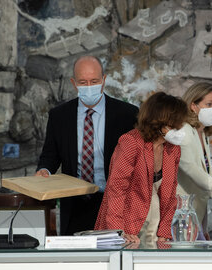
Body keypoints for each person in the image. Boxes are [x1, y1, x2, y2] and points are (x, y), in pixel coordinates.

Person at [36, 55, 138, 235]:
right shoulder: (59, 116)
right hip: (74, 204)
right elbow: (50, 155)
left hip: (114, 203)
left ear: (104, 80)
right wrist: (45, 170)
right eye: (83, 82)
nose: (89, 87)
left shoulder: (127, 114)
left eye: (94, 81)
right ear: (74, 83)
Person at [94, 92, 188, 244]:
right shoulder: (130, 142)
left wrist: (165, 231)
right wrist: (118, 232)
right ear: (159, 122)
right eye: (175, 124)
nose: (180, 128)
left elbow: (171, 194)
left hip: (156, 229)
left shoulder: (173, 149)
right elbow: (116, 190)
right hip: (127, 227)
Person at [177, 82, 212, 233]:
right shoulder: (184, 132)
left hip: (196, 214)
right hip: (179, 216)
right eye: (209, 104)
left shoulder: (201, 133)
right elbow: (195, 174)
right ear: (193, 106)